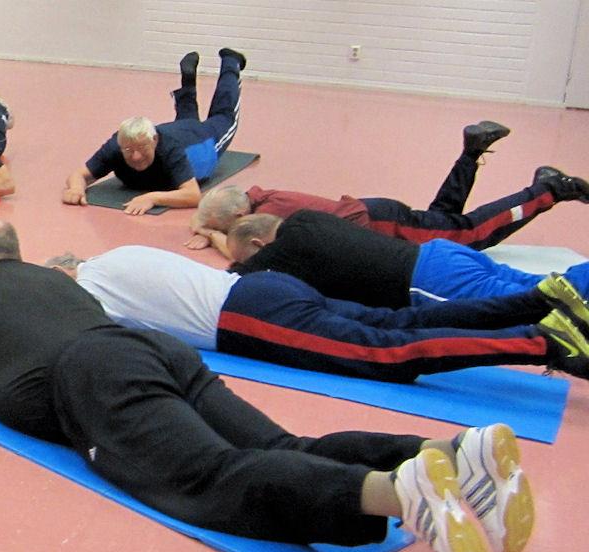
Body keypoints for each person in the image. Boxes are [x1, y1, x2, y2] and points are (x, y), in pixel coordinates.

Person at [0, 218, 534, 552]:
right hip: (155, 350)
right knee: (283, 447)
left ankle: (400, 493)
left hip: (94, 379)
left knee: (210, 477)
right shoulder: (57, 279)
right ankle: (453, 454)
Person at [44, 246, 589, 382]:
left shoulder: (89, 290)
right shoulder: (117, 255)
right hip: (263, 286)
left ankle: (545, 342)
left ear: (64, 275)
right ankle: (541, 301)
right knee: (396, 323)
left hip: (244, 316)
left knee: (384, 353)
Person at [188, 125, 589, 252]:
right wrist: (208, 223)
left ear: (239, 217)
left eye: (227, 227)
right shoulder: (262, 196)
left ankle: (549, 188)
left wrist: (211, 233)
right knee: (440, 222)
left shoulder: (264, 216)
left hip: (380, 223)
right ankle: (471, 151)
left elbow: (246, 254)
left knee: (468, 235)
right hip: (376, 212)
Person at [227, 210, 589, 308]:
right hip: (439, 253)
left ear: (260, 244)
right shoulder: (306, 219)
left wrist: (210, 231)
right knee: (542, 285)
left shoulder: (283, 252)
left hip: (428, 280)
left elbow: (235, 275)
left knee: (541, 301)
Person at [62, 49, 246, 214]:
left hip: (199, 138)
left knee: (225, 115)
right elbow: (79, 175)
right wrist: (76, 188)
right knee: (186, 120)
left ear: (154, 140)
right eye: (129, 150)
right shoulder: (115, 146)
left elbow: (192, 195)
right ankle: (188, 81)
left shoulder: (170, 151)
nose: (136, 156)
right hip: (179, 128)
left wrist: (152, 198)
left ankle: (230, 61)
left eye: (142, 148)